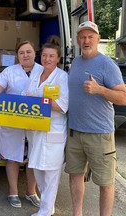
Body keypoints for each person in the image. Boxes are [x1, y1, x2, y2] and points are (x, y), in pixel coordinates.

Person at [65, 21, 126, 216]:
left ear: (98, 39)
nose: (86, 40)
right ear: (77, 40)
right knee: (75, 175)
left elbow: (123, 98)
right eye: (82, 37)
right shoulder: (75, 62)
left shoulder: (107, 64)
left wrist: (99, 89)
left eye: (90, 36)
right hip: (74, 132)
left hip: (99, 134)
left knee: (105, 183)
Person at [0, 41, 42, 208]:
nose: (25, 55)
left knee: (33, 158)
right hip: (13, 123)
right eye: (21, 53)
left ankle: (31, 192)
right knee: (12, 158)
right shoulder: (9, 71)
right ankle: (13, 192)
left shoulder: (43, 70)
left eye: (28, 52)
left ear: (34, 53)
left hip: (34, 122)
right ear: (17, 56)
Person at [23, 36, 68, 216]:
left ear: (58, 59)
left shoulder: (62, 77)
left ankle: (46, 210)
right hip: (34, 130)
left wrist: (40, 103)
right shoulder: (36, 72)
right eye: (45, 56)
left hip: (53, 130)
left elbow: (63, 105)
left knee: (50, 172)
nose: (47, 59)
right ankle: (46, 206)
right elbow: (27, 94)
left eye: (51, 56)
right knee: (37, 168)